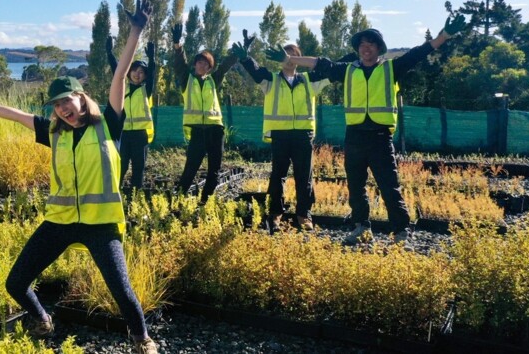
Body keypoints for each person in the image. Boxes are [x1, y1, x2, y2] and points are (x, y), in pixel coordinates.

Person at [0, 0, 158, 354]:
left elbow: (119, 76)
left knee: (122, 290)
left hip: (100, 224)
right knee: (16, 282)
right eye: (56, 105)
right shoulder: (54, 133)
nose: (63, 109)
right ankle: (41, 318)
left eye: (67, 101)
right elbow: (19, 115)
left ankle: (143, 340)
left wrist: (136, 31)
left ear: (82, 99)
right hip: (61, 221)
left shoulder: (108, 125)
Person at [268, 14, 467, 244]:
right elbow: (321, 64)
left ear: (379, 48)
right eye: (362, 44)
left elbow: (419, 53)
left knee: (389, 186)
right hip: (354, 137)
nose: (365, 48)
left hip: (380, 137)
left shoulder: (391, 68)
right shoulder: (348, 70)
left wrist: (445, 35)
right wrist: (290, 59)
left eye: (370, 44)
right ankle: (361, 227)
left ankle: (401, 230)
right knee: (356, 186)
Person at [232, 30, 330, 231]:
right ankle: (275, 215)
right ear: (280, 60)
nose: (289, 60)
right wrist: (246, 58)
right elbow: (256, 71)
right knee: (278, 175)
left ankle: (304, 216)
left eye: (293, 55)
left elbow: (330, 69)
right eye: (286, 55)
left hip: (303, 134)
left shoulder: (309, 80)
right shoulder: (271, 80)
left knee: (305, 176)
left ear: (298, 59)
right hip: (280, 135)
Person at [170, 23, 238, 203]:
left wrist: (238, 53)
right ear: (195, 64)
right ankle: (178, 201)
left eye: (206, 63)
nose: (202, 65)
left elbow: (224, 67)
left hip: (216, 131)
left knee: (214, 170)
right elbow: (179, 64)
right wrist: (177, 45)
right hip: (198, 132)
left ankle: (204, 202)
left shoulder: (213, 81)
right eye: (199, 61)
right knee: (190, 168)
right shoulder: (187, 79)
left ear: (209, 67)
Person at [105, 35, 155, 190]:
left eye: (141, 72)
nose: (137, 74)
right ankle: (115, 193)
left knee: (138, 168)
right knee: (122, 165)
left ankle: (135, 196)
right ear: (129, 73)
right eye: (134, 70)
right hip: (124, 134)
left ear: (145, 75)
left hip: (140, 135)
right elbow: (116, 70)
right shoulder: (123, 89)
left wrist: (152, 59)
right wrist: (109, 53)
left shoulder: (146, 90)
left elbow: (153, 73)